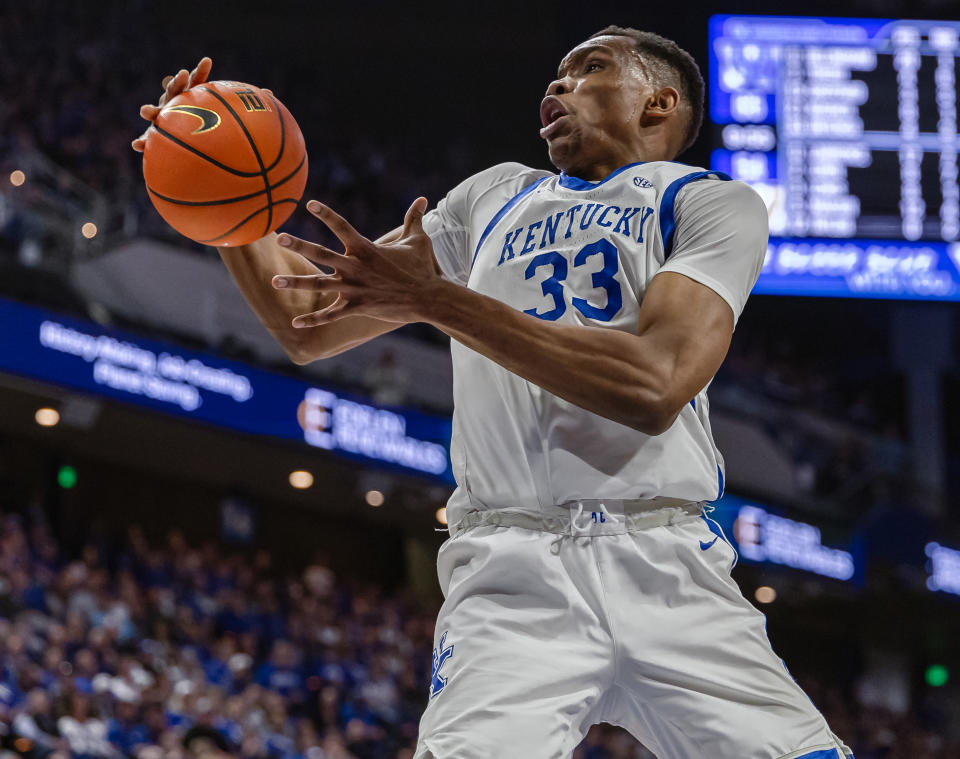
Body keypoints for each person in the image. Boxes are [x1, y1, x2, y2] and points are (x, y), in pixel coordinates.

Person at [134, 26, 855, 759]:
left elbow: (655, 381)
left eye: (590, 69)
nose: (557, 86)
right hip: (512, 571)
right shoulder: (493, 195)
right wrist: (226, 204)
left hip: (667, 560)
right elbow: (307, 323)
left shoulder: (710, 201)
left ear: (658, 103)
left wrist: (439, 302)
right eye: (557, 74)